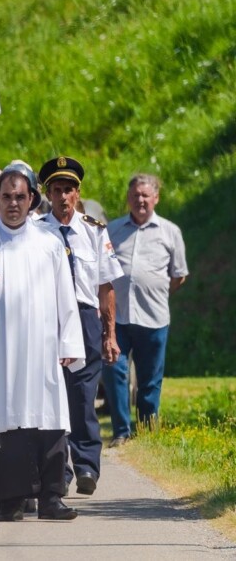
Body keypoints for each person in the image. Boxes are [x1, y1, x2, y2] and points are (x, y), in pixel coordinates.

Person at [0, 163, 85, 522]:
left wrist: (69, 343)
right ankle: (12, 497)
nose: (13, 204)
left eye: (20, 197)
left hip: (41, 347)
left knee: (48, 418)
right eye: (6, 197)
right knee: (7, 422)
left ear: (32, 199)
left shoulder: (49, 243)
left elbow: (67, 297)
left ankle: (52, 496)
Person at [37, 156, 123, 496]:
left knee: (83, 397)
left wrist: (110, 334)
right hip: (49, 318)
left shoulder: (94, 231)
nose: (63, 196)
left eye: (69, 189)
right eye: (57, 189)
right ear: (47, 193)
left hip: (85, 318)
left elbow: (105, 287)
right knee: (50, 397)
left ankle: (86, 465)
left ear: (78, 192)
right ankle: (59, 471)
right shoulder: (36, 232)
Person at [105, 174, 188, 446]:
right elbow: (102, 272)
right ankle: (121, 432)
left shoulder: (170, 231)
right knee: (114, 371)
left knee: (150, 381)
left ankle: (146, 432)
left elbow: (178, 275)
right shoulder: (112, 230)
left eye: (145, 195)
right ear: (128, 198)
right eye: (135, 195)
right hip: (117, 317)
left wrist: (157, 292)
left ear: (156, 198)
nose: (140, 200)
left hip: (153, 318)